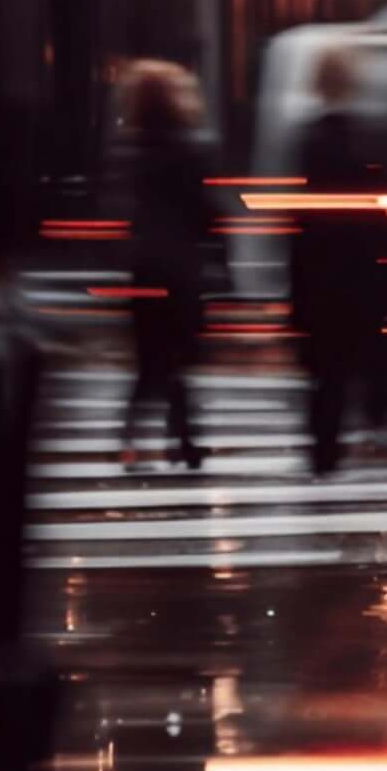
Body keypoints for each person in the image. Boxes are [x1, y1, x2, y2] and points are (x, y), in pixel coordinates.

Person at [287, 46, 387, 473]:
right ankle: (368, 417)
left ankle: (323, 445)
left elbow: (300, 213)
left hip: (318, 264)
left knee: (325, 365)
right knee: (354, 355)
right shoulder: (368, 138)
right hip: (357, 264)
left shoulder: (308, 139)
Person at [118, 61, 218, 469]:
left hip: (145, 268)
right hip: (179, 267)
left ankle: (137, 435)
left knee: (151, 360)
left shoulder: (131, 149)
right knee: (176, 358)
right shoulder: (188, 149)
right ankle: (182, 439)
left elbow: (125, 212)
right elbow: (204, 211)